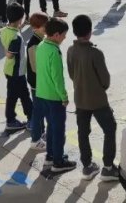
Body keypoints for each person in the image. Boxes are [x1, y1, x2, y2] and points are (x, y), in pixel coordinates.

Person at [67, 14, 119, 181]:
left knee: (83, 132)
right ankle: (108, 167)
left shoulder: (70, 50)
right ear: (90, 32)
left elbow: (71, 74)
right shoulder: (95, 53)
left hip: (80, 98)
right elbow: (105, 80)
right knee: (109, 129)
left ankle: (87, 166)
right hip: (97, 99)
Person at [35, 18, 77, 173]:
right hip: (54, 97)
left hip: (41, 94)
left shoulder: (41, 45)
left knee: (50, 127)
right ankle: (58, 162)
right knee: (58, 130)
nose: (65, 38)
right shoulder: (54, 51)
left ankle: (51, 155)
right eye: (64, 35)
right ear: (57, 35)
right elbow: (57, 77)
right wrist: (64, 96)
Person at [1, 3, 32, 131]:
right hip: (16, 72)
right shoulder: (16, 37)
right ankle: (30, 118)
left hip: (9, 70)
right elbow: (9, 55)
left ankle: (12, 118)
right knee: (24, 95)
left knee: (13, 96)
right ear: (20, 19)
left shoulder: (5, 30)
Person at [26, 12, 49, 150]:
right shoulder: (34, 44)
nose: (47, 28)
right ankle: (35, 140)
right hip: (37, 84)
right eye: (45, 26)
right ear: (36, 27)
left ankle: (41, 133)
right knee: (38, 112)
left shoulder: (41, 40)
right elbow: (36, 68)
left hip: (40, 83)